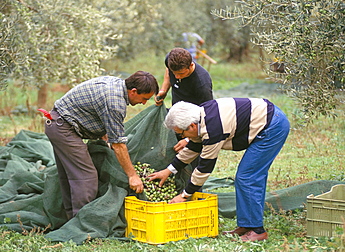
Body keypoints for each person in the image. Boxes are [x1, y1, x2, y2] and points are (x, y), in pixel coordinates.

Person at [148, 98, 290, 242]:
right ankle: (247, 226)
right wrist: (169, 170)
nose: (182, 137)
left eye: (181, 133)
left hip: (272, 126)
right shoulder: (199, 117)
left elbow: (204, 167)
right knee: (246, 177)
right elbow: (194, 147)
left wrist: (184, 195)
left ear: (191, 126)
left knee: (247, 177)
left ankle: (257, 230)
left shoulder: (213, 128)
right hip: (266, 118)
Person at [44, 71, 159, 220]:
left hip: (57, 123)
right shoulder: (115, 103)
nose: (144, 103)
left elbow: (96, 111)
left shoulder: (116, 83)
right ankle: (83, 225)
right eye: (144, 99)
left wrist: (104, 134)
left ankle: (70, 219)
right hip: (63, 128)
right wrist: (132, 176)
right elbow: (118, 145)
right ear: (134, 91)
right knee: (86, 177)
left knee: (70, 175)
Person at [155, 47, 213, 153]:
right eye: (174, 73)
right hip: (176, 115)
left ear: (191, 65)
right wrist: (164, 90)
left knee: (190, 158)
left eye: (181, 74)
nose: (177, 77)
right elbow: (168, 70)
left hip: (192, 126)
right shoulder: (170, 60)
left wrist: (188, 139)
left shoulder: (202, 84)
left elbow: (208, 116)